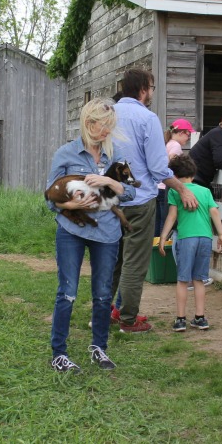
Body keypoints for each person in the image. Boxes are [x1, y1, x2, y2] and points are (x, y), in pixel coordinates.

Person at [46, 98, 137, 372]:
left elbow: (131, 192)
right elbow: (50, 197)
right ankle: (59, 353)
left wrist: (110, 182)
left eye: (111, 126)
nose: (107, 131)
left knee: (102, 294)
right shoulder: (66, 153)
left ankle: (99, 348)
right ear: (89, 124)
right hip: (72, 230)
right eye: (103, 126)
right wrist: (71, 205)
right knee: (68, 292)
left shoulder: (116, 154)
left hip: (107, 232)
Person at [111, 69, 198, 334]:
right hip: (138, 200)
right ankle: (127, 319)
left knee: (111, 261)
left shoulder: (108, 114)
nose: (152, 93)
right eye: (152, 87)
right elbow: (159, 168)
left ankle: (104, 312)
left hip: (109, 198)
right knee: (134, 263)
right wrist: (182, 188)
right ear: (144, 88)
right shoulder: (146, 118)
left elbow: (109, 159)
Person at [159, 154, 222, 331]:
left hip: (186, 237)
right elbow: (215, 213)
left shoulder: (175, 191)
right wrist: (221, 234)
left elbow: (172, 216)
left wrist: (163, 237)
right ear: (193, 174)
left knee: (182, 280)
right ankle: (200, 317)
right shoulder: (205, 191)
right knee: (199, 279)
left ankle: (180, 319)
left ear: (174, 175)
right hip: (205, 237)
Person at [189, 108, 222, 194]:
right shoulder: (219, 133)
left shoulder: (221, 135)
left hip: (196, 182)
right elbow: (221, 161)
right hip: (193, 183)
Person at [155, 118, 195, 236]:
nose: (188, 139)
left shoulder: (168, 143)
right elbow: (172, 163)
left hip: (158, 187)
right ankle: (164, 244)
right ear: (181, 133)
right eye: (188, 135)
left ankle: (155, 245)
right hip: (166, 186)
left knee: (157, 221)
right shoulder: (176, 146)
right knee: (165, 219)